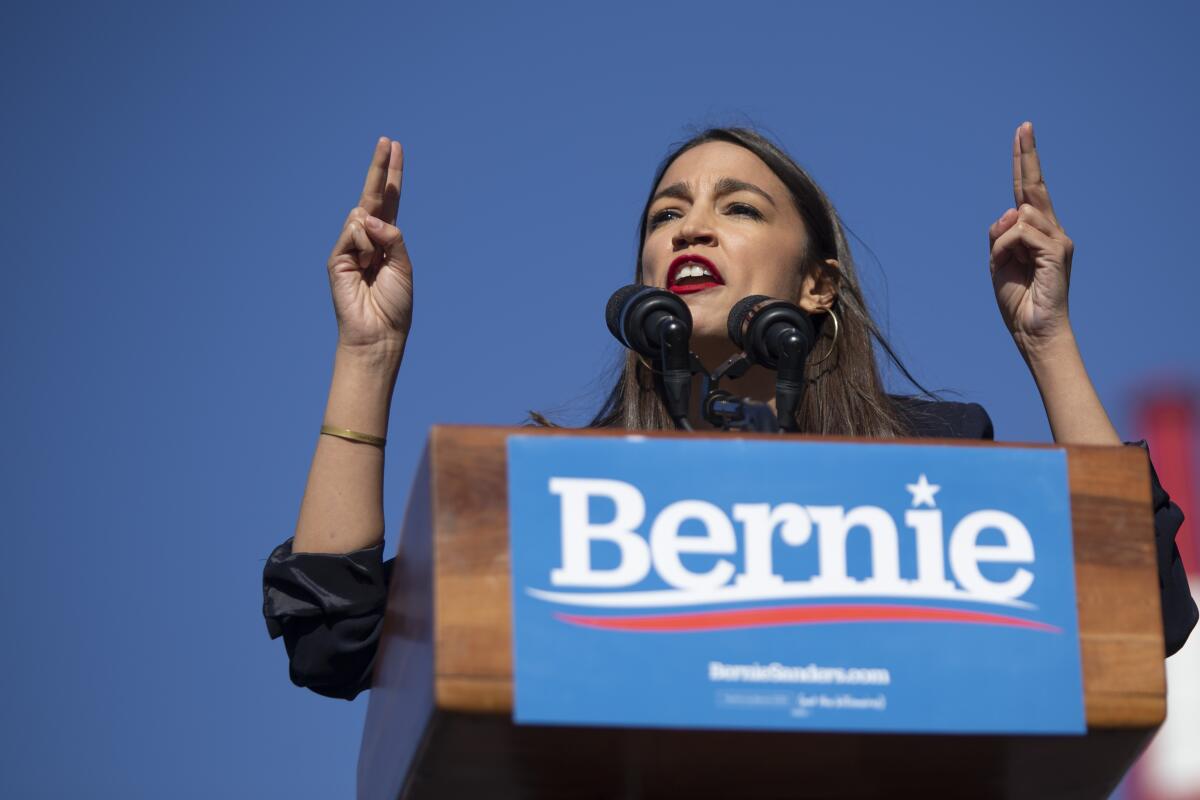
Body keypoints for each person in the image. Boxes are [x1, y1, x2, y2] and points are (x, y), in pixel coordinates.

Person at [263, 125, 1197, 700]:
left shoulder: (934, 464)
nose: (690, 229)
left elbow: (1148, 610)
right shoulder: (554, 495)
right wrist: (367, 352)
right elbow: (332, 642)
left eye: (737, 207)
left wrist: (1047, 339)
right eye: (666, 214)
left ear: (818, 284)